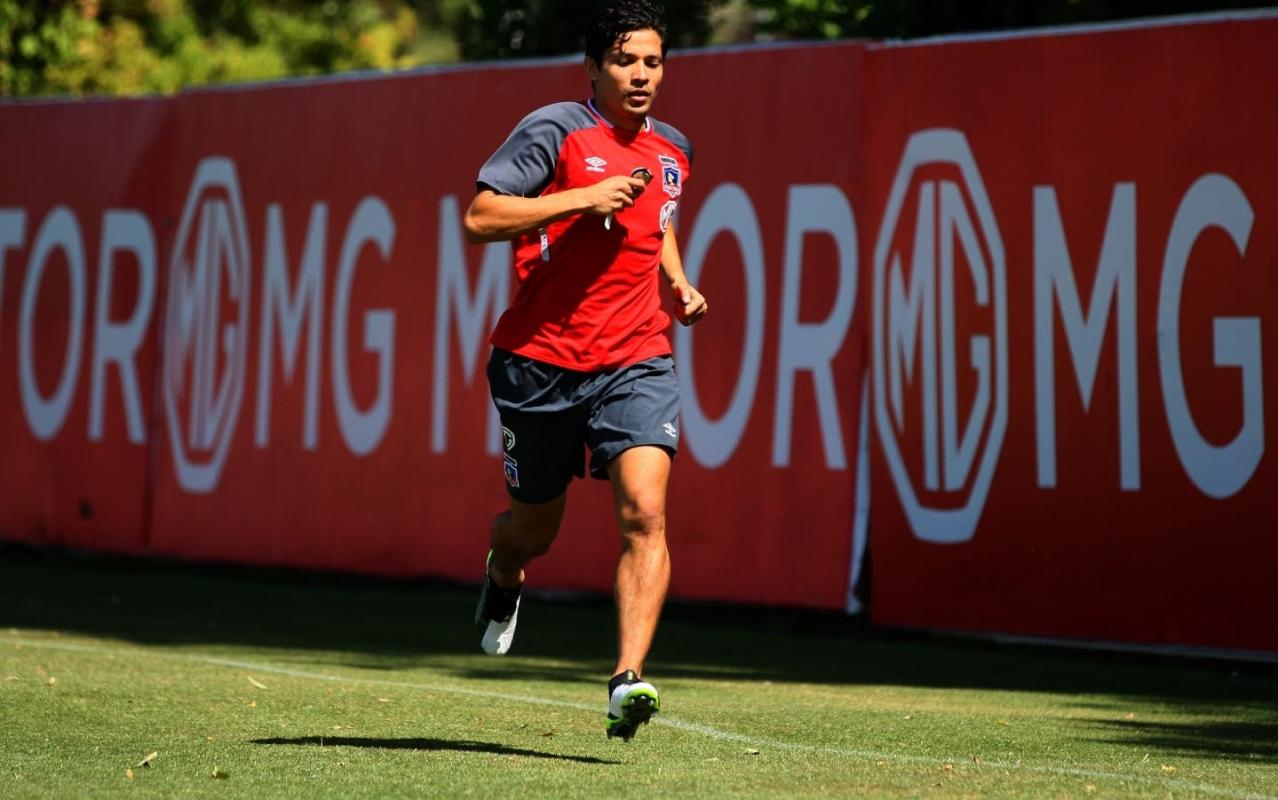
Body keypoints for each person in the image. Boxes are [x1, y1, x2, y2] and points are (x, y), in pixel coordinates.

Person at [462, 0, 707, 742]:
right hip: (539, 362)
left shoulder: (674, 149)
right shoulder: (556, 130)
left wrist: (676, 281)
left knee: (646, 513)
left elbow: (657, 219)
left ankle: (627, 679)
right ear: (594, 68)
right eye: (626, 61)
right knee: (532, 531)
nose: (641, 75)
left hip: (637, 356)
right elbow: (480, 217)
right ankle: (504, 574)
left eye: (653, 62)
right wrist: (582, 197)